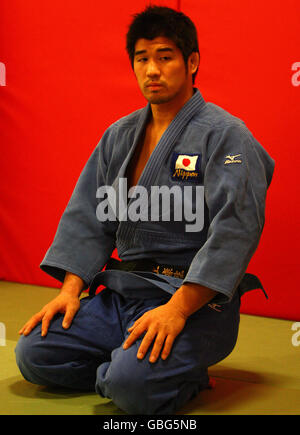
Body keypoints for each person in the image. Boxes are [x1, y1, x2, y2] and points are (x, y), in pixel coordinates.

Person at [15, 6, 275, 415]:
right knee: (34, 353)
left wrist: (177, 310)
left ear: (192, 62)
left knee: (130, 387)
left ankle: (146, 371)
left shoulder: (226, 136)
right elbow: (88, 216)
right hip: (124, 296)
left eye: (164, 56)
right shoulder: (118, 136)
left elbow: (235, 230)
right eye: (142, 59)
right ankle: (128, 366)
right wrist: (69, 291)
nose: (152, 69)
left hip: (194, 304)